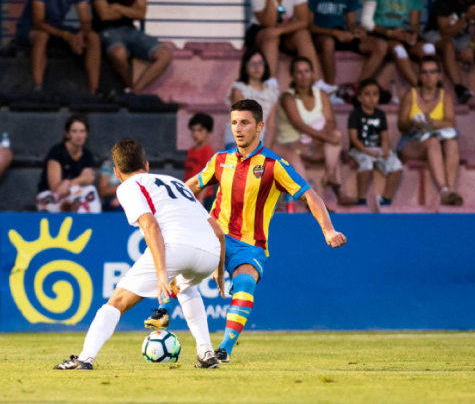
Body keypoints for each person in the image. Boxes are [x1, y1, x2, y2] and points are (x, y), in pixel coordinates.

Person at [145, 99, 347, 364]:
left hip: (250, 245)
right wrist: (161, 205)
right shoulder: (221, 159)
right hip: (213, 235)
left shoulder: (274, 165)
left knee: (245, 283)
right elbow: (193, 185)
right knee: (184, 260)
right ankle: (162, 310)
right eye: (234, 123)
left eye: (244, 122)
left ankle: (224, 349)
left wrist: (328, 230)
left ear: (259, 126)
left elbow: (310, 196)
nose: (238, 129)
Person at [54, 139, 226, 370]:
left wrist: (161, 273)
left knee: (117, 301)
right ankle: (206, 353)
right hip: (210, 251)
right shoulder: (176, 182)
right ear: (146, 164)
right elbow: (218, 231)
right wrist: (219, 271)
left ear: (116, 172)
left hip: (177, 246)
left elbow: (150, 225)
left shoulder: (127, 186)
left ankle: (85, 359)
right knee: (185, 287)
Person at [274, 56, 353, 205]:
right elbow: (298, 123)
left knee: (336, 136)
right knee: (333, 141)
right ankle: (317, 199)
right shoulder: (287, 97)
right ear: (292, 75)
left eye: (306, 71)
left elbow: (331, 122)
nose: (304, 76)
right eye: (299, 72)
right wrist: (322, 137)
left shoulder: (321, 94)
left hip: (315, 144)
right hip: (294, 145)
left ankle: (331, 176)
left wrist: (321, 138)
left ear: (312, 73)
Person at [246, 0, 333, 93]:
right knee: (271, 36)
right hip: (261, 31)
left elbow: (304, 21)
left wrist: (280, 30)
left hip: (285, 30)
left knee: (303, 33)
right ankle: (270, 83)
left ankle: (317, 82)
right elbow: (269, 23)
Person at [15, 0, 101, 94]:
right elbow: (38, 22)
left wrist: (80, 35)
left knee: (93, 37)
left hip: (56, 29)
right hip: (28, 29)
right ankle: (37, 88)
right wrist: (67, 36)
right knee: (42, 36)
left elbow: (85, 21)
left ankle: (94, 92)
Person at [89, 0, 173, 94]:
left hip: (131, 30)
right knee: (119, 54)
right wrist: (130, 11)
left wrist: (117, 8)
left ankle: (134, 92)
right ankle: (130, 87)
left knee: (165, 55)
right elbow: (105, 15)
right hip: (107, 30)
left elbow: (141, 14)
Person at [398, 56, 462, 206]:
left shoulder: (445, 96)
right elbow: (401, 125)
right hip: (412, 142)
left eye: (432, 72)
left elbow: (450, 123)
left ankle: (451, 191)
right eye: (425, 72)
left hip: (437, 141)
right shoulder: (410, 95)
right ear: (420, 76)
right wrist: (413, 123)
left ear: (439, 75)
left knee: (451, 144)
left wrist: (429, 122)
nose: (428, 76)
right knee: (432, 142)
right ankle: (444, 191)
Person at [306, 0, 388, 87]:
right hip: (320, 34)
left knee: (380, 46)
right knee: (328, 42)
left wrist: (357, 31)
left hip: (341, 34)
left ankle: (359, 88)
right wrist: (334, 33)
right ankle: (331, 88)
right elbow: (309, 26)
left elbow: (351, 23)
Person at [361, 0, 436, 86]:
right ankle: (420, 89)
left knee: (429, 48)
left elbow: (414, 24)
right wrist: (390, 33)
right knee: (399, 50)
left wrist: (413, 34)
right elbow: (366, 22)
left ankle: (436, 88)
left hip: (403, 32)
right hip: (380, 32)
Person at [348, 78, 402, 209]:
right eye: (367, 94)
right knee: (366, 163)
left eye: (375, 94)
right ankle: (361, 198)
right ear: (359, 98)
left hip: (376, 148)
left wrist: (384, 150)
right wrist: (366, 151)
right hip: (360, 149)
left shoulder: (380, 114)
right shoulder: (355, 114)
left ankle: (386, 200)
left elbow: (384, 135)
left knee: (396, 165)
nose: (372, 98)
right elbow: (354, 139)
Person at [36, 114, 101, 213]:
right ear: (67, 134)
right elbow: (57, 189)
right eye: (74, 131)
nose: (78, 135)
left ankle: (95, 224)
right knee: (80, 203)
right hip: (50, 197)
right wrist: (79, 181)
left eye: (82, 131)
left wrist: (69, 183)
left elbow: (88, 179)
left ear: (86, 134)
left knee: (89, 192)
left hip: (74, 194)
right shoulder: (57, 152)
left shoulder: (87, 154)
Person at [225, 49, 279, 150]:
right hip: (240, 140)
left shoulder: (271, 90)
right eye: (252, 63)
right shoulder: (238, 89)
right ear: (245, 67)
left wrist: (266, 149)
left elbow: (271, 124)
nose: (257, 67)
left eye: (260, 63)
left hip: (262, 140)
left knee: (290, 156)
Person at [184, 113, 215, 210]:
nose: (195, 134)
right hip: (189, 194)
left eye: (200, 130)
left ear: (209, 132)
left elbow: (207, 176)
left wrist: (201, 199)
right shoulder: (191, 151)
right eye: (193, 130)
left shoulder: (207, 151)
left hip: (203, 198)